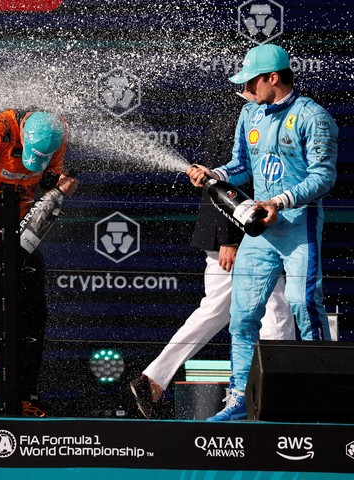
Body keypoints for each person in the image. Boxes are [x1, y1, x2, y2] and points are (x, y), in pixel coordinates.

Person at [187, 43, 338, 421]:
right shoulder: (249, 114)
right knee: (242, 317)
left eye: (251, 83)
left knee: (304, 306)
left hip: (297, 227)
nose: (245, 91)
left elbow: (324, 175)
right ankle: (239, 399)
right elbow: (241, 166)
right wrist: (214, 175)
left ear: (273, 78)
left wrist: (280, 202)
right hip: (259, 233)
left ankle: (320, 400)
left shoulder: (313, 116)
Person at [129, 89, 295, 419]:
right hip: (239, 238)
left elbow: (222, 177)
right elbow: (232, 183)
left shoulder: (237, 112)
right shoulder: (243, 115)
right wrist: (229, 239)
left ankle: (153, 379)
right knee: (276, 313)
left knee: (216, 312)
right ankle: (280, 401)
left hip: (237, 236)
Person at [0, 110, 79, 417]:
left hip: (25, 224)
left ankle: (27, 396)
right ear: (23, 135)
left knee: (34, 309)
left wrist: (60, 184)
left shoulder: (58, 130)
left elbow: (50, 174)